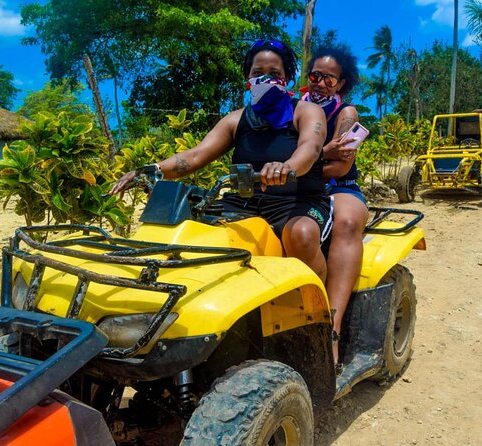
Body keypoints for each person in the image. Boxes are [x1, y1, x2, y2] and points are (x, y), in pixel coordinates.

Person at [110, 39, 331, 281]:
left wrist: (286, 167)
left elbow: (310, 148)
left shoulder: (306, 111)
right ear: (248, 78)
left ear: (287, 78)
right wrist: (150, 170)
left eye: (274, 73)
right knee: (199, 234)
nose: (265, 79)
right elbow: (194, 155)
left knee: (302, 235)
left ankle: (321, 310)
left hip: (296, 202)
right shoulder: (235, 120)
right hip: (243, 203)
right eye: (258, 73)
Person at [301, 47, 367, 368]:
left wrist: (302, 167)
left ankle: (333, 328)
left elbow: (341, 167)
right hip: (298, 184)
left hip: (338, 188)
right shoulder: (295, 108)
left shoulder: (348, 116)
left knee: (346, 222)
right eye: (315, 76)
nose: (320, 83)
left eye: (329, 78)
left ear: (340, 84)